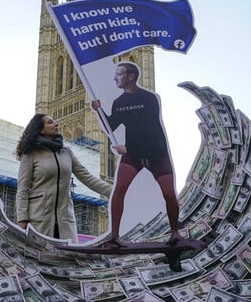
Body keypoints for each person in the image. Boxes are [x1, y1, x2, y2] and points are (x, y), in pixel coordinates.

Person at [90, 62, 181, 245]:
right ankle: (114, 236)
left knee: (169, 194)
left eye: (119, 74)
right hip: (133, 155)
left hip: (156, 152)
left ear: (131, 76)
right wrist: (99, 110)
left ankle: (175, 233)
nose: (115, 77)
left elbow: (152, 130)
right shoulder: (119, 102)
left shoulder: (149, 98)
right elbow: (111, 127)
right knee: (120, 189)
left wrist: (129, 149)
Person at [15, 113, 111, 243]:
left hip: (64, 220)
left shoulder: (66, 152)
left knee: (68, 260)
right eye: (50, 122)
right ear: (41, 129)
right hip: (39, 220)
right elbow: (23, 189)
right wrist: (22, 220)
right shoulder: (31, 154)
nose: (56, 123)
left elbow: (87, 177)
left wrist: (115, 192)